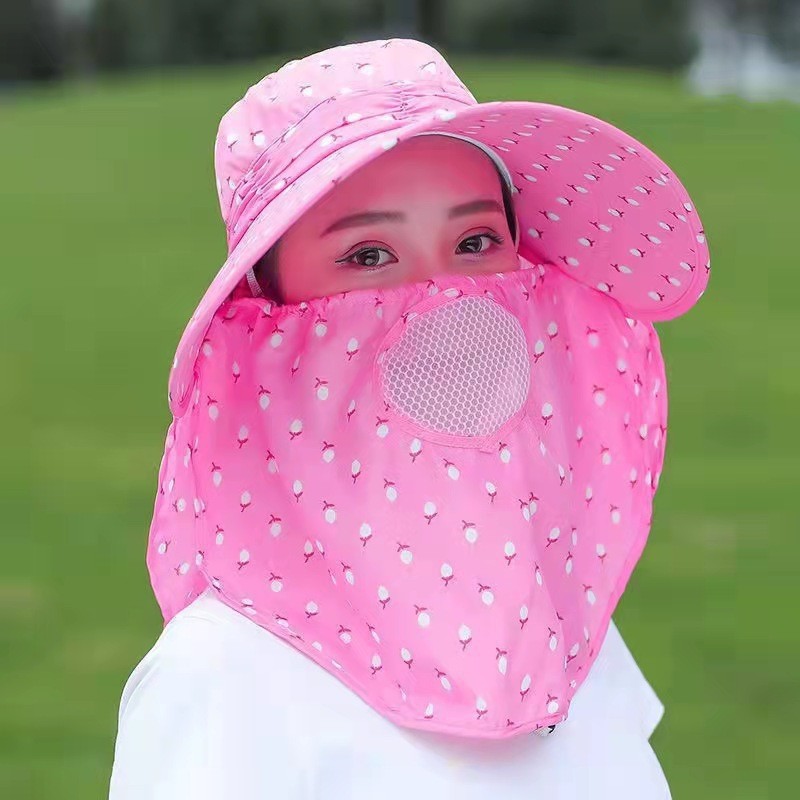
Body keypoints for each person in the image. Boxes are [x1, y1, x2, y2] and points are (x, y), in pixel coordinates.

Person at [108, 38, 709, 799]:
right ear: (265, 324)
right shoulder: (227, 685)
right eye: (367, 255)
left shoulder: (564, 629)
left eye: (475, 242)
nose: (446, 299)